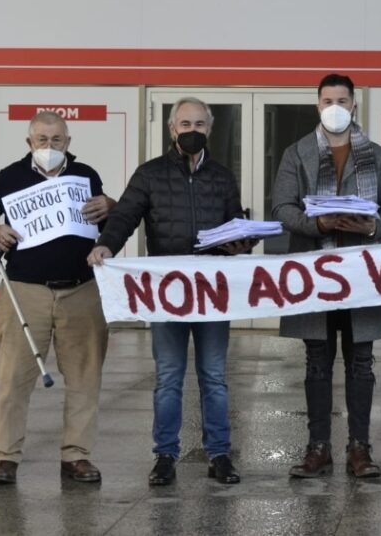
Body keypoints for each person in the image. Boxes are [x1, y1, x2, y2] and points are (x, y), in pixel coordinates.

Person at [88, 97, 253, 486]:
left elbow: (236, 225)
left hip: (213, 292)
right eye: (185, 124)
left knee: (213, 376)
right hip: (166, 294)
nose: (191, 130)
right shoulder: (149, 175)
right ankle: (165, 455)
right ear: (171, 129)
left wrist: (244, 242)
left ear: (208, 129)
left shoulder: (222, 177)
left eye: (199, 124)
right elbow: (125, 215)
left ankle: (220, 454)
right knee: (168, 377)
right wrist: (106, 246)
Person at [0, 111, 115, 485]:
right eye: (42, 140)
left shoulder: (86, 175)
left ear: (68, 142)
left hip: (81, 288)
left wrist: (111, 206)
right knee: (13, 378)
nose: (50, 147)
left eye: (57, 140)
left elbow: (109, 224)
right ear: (30, 143)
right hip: (25, 290)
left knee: (84, 376)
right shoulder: (11, 177)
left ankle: (76, 456)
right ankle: (6, 458)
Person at [272, 73, 381, 479]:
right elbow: (283, 208)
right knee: (316, 362)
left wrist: (372, 227)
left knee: (362, 363)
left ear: (353, 105)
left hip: (362, 275)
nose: (335, 107)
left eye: (342, 100)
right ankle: (318, 448)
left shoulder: (376, 154)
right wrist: (320, 223)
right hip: (315, 273)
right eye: (327, 100)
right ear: (317, 105)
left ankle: (359, 449)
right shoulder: (297, 153)